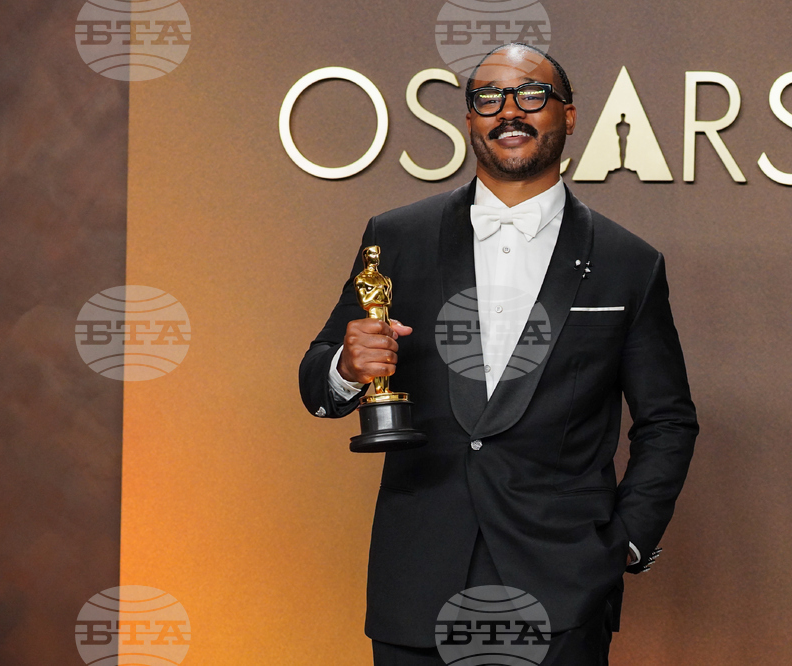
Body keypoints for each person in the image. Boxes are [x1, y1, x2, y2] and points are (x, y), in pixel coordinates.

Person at [299, 42, 698, 666]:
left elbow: (668, 420)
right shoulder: (396, 236)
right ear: (469, 121)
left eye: (531, 95)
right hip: (419, 579)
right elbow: (317, 386)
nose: (509, 111)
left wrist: (624, 543)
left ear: (569, 117)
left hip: (564, 584)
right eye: (488, 98)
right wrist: (345, 369)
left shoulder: (630, 263)